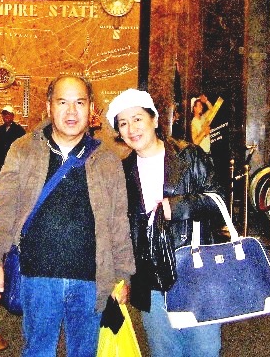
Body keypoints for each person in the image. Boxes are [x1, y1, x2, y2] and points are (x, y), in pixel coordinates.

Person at [0, 75, 135, 357]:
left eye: (80, 103)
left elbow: (118, 221)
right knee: (38, 350)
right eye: (63, 102)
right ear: (49, 107)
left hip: (91, 279)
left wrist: (122, 275)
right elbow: (4, 209)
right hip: (38, 275)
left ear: (91, 110)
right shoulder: (24, 149)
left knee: (84, 352)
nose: (72, 111)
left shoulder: (107, 159)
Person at [106, 88, 225, 357]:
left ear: (154, 120)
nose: (131, 128)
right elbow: (120, 230)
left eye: (137, 119)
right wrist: (121, 277)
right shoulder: (122, 171)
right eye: (123, 123)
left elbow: (218, 201)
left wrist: (178, 206)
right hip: (152, 279)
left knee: (204, 350)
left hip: (195, 274)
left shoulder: (189, 156)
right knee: (164, 351)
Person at [0, 104, 26, 169]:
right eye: (4, 114)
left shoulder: (19, 130)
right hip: (0, 163)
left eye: (8, 114)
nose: (6, 116)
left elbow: (23, 147)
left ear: (12, 116)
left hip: (14, 162)